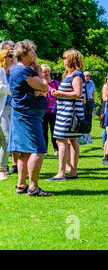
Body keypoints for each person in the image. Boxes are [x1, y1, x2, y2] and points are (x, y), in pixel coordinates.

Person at [9, 40, 51, 196]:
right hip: (28, 115)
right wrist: (39, 72)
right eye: (32, 52)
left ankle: (21, 185)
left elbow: (40, 89)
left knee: (25, 151)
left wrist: (39, 89)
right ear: (23, 54)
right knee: (38, 150)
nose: (35, 54)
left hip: (23, 114)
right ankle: (33, 187)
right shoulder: (24, 71)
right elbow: (45, 87)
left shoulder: (17, 70)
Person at [49, 50, 86, 181]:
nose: (63, 60)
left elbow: (78, 94)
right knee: (71, 141)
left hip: (69, 114)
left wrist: (60, 94)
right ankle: (72, 171)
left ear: (71, 59)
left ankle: (61, 173)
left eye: (65, 58)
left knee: (61, 140)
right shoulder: (70, 74)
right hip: (66, 112)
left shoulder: (76, 75)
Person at [0, 49, 14, 181]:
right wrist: (10, 88)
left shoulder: (12, 71)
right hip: (1, 109)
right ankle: (2, 170)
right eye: (10, 56)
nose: (13, 58)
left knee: (6, 139)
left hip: (11, 107)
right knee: (6, 138)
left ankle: (3, 168)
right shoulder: (0, 71)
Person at [41, 64, 60, 156]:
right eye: (44, 72)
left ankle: (56, 149)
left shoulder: (56, 83)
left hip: (54, 111)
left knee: (54, 131)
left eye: (48, 71)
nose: (47, 73)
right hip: (43, 111)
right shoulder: (39, 83)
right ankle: (45, 150)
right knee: (44, 131)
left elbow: (61, 94)